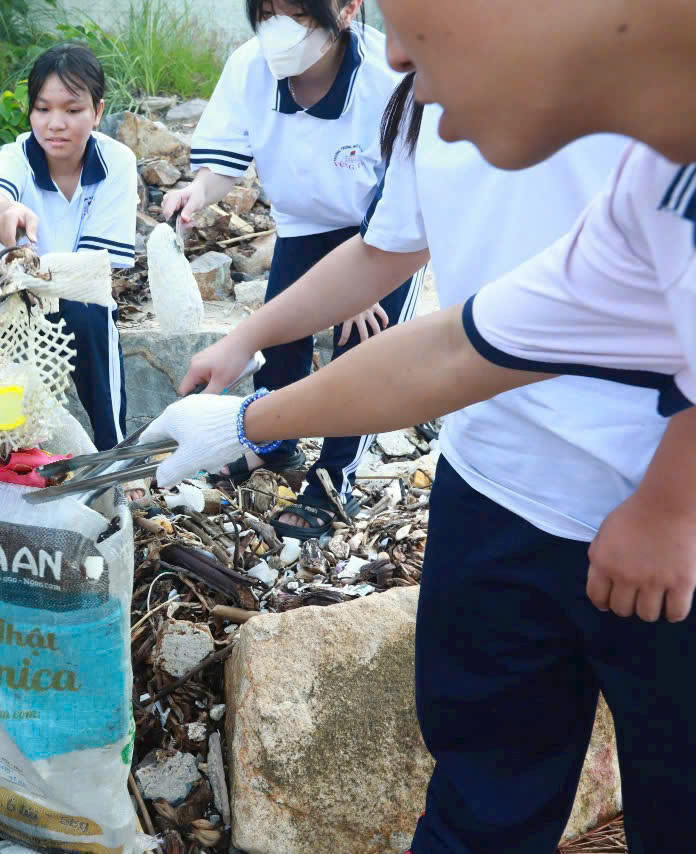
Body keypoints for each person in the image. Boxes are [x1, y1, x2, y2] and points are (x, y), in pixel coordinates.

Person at [141, 1, 696, 848]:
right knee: (485, 790)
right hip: (500, 495)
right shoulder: (645, 195)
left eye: (408, 16)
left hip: (664, 548)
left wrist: (670, 504)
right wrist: (246, 417)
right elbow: (454, 351)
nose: (392, 57)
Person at [160, 0, 422, 539]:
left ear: (346, 10)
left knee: (362, 354)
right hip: (301, 226)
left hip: (376, 233)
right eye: (268, 12)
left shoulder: (383, 75)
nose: (280, 29)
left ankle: (334, 477)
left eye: (299, 14)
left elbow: (401, 202)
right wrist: (196, 195)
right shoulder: (249, 67)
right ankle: (272, 444)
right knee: (279, 350)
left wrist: (363, 285)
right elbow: (226, 160)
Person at [0, 43, 137, 451]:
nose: (55, 124)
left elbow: (93, 270)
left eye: (72, 110)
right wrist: (6, 214)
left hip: (70, 292)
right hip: (5, 291)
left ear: (98, 112)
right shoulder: (16, 157)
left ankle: (114, 453)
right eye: (42, 109)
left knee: (94, 314)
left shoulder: (117, 162)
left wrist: (41, 271)